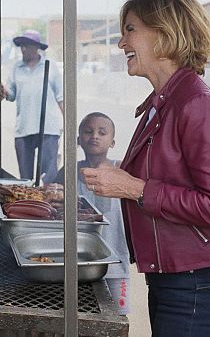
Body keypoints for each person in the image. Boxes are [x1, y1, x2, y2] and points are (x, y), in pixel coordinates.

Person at [81, 0, 210, 336]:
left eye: (130, 30)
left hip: (201, 282)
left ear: (165, 33)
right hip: (176, 278)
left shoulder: (199, 105)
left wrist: (133, 187)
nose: (121, 43)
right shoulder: (163, 103)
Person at [75, 112, 130, 315]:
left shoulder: (122, 169)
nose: (94, 136)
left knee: (116, 317)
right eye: (88, 131)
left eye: (102, 132)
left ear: (113, 142)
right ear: (79, 139)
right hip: (79, 262)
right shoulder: (70, 171)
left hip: (116, 261)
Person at [3, 30, 64, 182]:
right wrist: (1, 88)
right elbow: (10, 95)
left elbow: (61, 98)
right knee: (25, 179)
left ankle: (48, 205)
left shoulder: (50, 66)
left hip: (48, 129)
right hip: (23, 128)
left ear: (36, 47)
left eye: (27, 45)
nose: (23, 49)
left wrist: (70, 127)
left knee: (48, 176)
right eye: (22, 46)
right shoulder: (17, 68)